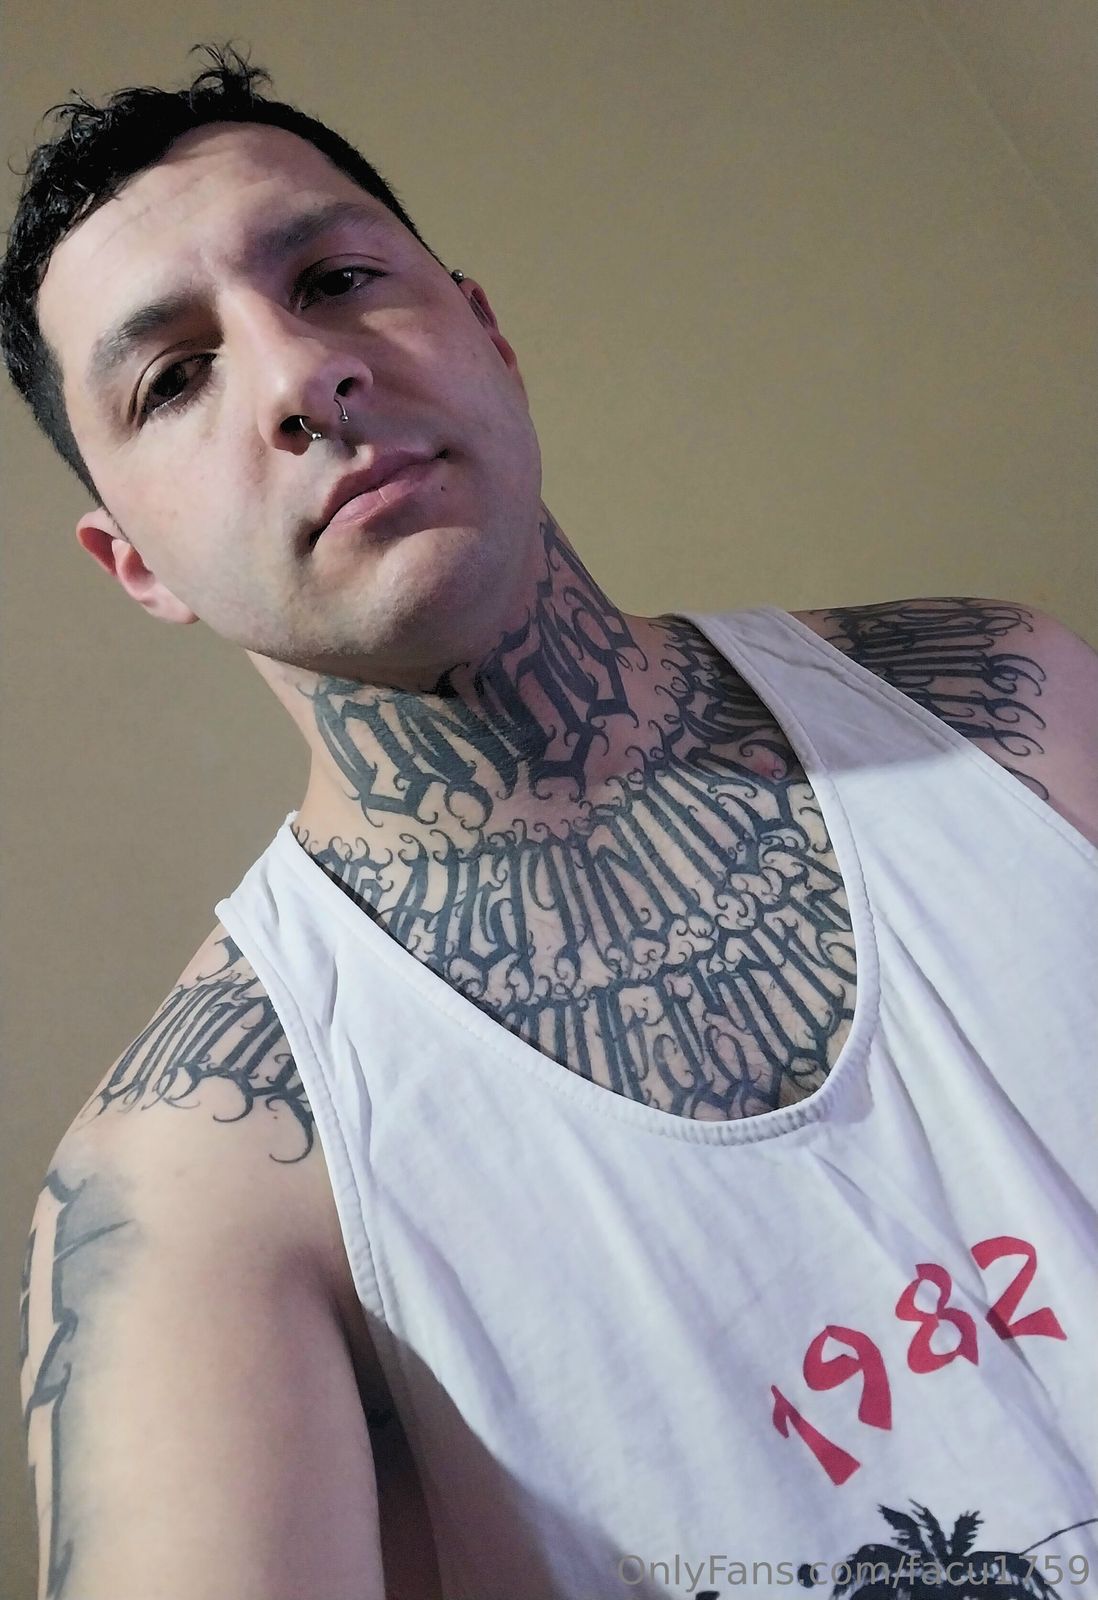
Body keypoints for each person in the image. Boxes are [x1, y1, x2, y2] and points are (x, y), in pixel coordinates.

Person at [6, 42, 1096, 1600]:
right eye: (173, 378)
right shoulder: (197, 1183)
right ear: (136, 565)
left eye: (335, 278)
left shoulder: (1007, 700)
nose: (299, 376)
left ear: (488, 336)